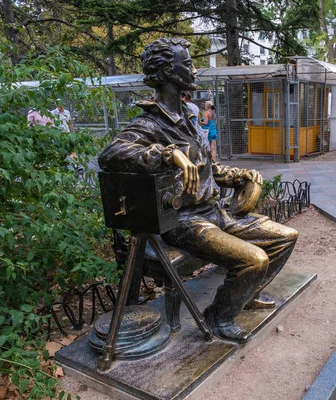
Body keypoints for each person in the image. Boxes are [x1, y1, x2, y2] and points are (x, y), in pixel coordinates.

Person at [98, 37, 298, 343]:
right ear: (167, 72)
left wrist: (237, 176)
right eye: (187, 64)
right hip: (184, 223)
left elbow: (209, 170)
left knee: (285, 237)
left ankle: (241, 297)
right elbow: (111, 153)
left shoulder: (190, 119)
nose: (194, 69)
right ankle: (218, 317)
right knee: (254, 259)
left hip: (215, 213)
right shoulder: (150, 125)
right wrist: (165, 154)